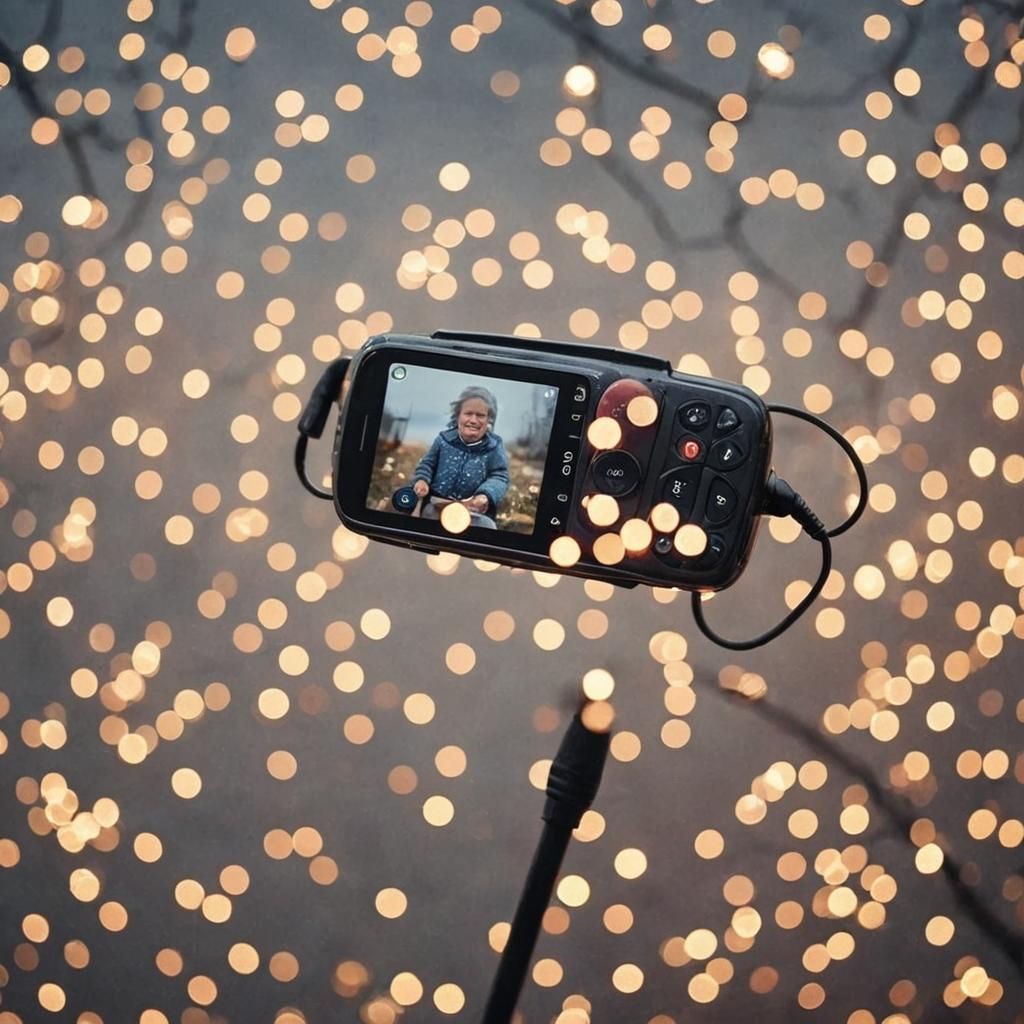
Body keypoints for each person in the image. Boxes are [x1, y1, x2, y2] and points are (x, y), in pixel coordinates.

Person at [412, 386, 509, 529]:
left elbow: (500, 476)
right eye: (468, 413)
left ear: (489, 420)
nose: (473, 420)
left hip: (472, 511)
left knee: (488, 527)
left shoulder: (494, 447)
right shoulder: (444, 440)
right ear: (458, 416)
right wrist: (422, 480)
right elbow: (427, 464)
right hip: (437, 506)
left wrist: (485, 495)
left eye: (480, 415)